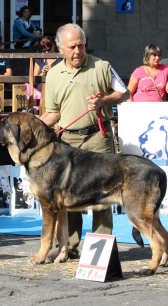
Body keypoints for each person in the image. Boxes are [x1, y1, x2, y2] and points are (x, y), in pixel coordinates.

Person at [40, 23, 129, 259]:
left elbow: (124, 93)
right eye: (72, 47)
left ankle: (102, 249)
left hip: (98, 138)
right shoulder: (53, 75)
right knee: (67, 195)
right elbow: (53, 113)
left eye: (81, 45)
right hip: (67, 141)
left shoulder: (102, 66)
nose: (78, 51)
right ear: (60, 48)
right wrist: (32, 126)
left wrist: (104, 101)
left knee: (104, 193)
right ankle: (68, 246)